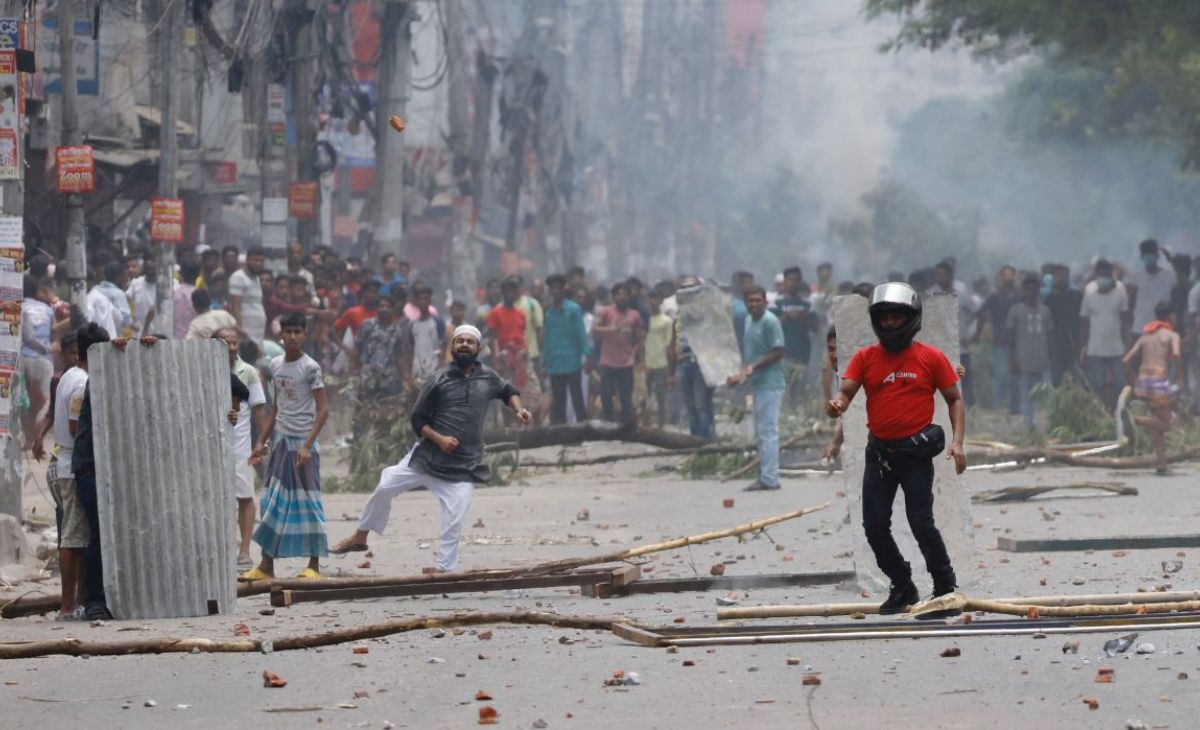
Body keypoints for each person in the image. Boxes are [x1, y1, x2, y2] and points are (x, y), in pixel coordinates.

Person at [330, 325, 530, 571]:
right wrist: (440, 440)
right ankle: (360, 536)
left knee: (455, 516)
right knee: (385, 484)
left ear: (479, 349)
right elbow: (417, 420)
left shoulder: (488, 377)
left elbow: (508, 391)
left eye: (470, 341)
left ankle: (445, 570)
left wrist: (519, 409)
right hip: (427, 458)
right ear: (452, 348)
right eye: (460, 341)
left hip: (464, 464)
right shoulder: (438, 379)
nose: (465, 345)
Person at [827, 282, 966, 617]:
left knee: (921, 523)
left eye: (896, 316)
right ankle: (902, 585)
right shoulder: (865, 357)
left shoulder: (931, 358)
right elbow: (846, 391)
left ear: (911, 318)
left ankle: (945, 588)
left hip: (915, 456)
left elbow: (955, 400)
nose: (890, 323)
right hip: (880, 456)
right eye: (884, 317)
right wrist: (838, 404)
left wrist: (958, 442)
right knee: (874, 526)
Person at [240, 313, 330, 580]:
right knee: (272, 501)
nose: (292, 336)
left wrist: (307, 445)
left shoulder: (310, 367)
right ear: (281, 334)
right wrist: (261, 441)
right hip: (280, 442)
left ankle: (314, 565)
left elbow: (323, 411)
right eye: (288, 331)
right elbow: (276, 407)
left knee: (308, 502)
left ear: (304, 334)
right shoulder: (276, 364)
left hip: (303, 445)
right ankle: (267, 565)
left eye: (297, 332)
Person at [71, 324, 117, 620]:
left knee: (101, 533)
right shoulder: (91, 382)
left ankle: (100, 598)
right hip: (89, 466)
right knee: (99, 533)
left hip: (92, 465)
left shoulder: (96, 378)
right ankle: (94, 601)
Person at [214, 328, 268, 566]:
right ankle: (223, 549)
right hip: (212, 446)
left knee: (245, 497)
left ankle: (244, 550)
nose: (232, 347)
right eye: (227, 343)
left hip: (240, 446)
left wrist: (261, 442)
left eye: (235, 343)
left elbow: (258, 410)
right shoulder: (204, 371)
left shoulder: (248, 372)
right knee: (217, 499)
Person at [727, 285, 786, 491]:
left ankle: (770, 478)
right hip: (757, 383)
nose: (753, 304)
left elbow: (778, 351)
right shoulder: (748, 321)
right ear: (745, 303)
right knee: (761, 433)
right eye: (750, 301)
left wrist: (752, 368)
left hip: (770, 384)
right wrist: (741, 375)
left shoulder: (770, 321)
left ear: (765, 302)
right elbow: (751, 354)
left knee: (768, 431)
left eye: (757, 300)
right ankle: (767, 474)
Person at [47, 330, 87, 620]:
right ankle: (68, 605)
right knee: (72, 538)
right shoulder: (81, 382)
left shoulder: (66, 378)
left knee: (75, 537)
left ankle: (77, 602)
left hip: (62, 461)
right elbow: (75, 428)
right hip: (71, 466)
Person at [1124, 302, 1182, 475]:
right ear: (1171, 316)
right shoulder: (1172, 335)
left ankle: (1161, 464)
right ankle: (1133, 419)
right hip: (1159, 383)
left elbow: (1126, 360)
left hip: (1143, 382)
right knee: (1169, 423)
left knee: (1158, 425)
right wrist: (1179, 376)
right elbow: (1177, 354)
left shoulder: (1145, 336)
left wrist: (1134, 382)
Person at [669, 275, 716, 439]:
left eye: (691, 288)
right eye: (684, 289)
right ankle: (694, 441)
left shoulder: (707, 313)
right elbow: (673, 343)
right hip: (684, 364)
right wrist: (671, 372)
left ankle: (707, 442)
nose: (687, 292)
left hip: (702, 365)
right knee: (690, 407)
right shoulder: (678, 315)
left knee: (702, 405)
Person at [1079, 259, 1129, 409]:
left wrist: (1127, 342)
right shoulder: (1089, 290)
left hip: (1117, 347)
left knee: (1120, 383)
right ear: (1096, 274)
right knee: (1097, 384)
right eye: (1101, 274)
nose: (1104, 277)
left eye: (1107, 273)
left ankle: (1120, 410)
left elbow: (1124, 317)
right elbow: (1085, 320)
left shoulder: (1120, 289)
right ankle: (1099, 411)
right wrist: (1083, 345)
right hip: (1095, 347)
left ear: (1111, 273)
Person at [1007, 274, 1055, 430]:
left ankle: (1047, 421)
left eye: (1034, 290)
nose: (1031, 293)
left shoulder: (1045, 311)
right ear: (1023, 291)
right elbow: (1011, 337)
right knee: (1026, 393)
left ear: (1038, 291)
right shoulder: (1016, 311)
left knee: (1045, 393)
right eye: (1028, 290)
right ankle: (1029, 422)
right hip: (1023, 359)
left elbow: (1050, 335)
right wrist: (1012, 359)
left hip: (1042, 359)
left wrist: (1051, 355)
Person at [542, 274, 590, 425]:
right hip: (555, 363)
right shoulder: (549, 313)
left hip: (572, 361)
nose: (556, 291)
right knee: (559, 400)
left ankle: (584, 430)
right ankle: (562, 432)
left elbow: (581, 334)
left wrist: (587, 355)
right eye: (553, 288)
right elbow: (547, 339)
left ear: (564, 289)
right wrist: (545, 361)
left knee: (577, 398)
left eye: (559, 288)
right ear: (550, 291)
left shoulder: (573, 309)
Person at [593, 281, 643, 423]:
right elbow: (595, 329)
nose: (621, 297)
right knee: (606, 396)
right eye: (618, 294)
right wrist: (610, 329)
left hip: (626, 362)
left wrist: (637, 355)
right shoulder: (606, 312)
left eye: (625, 294)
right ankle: (608, 424)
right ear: (614, 296)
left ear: (629, 297)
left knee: (626, 397)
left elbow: (639, 337)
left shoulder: (635, 315)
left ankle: (625, 426)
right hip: (608, 361)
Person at [974, 265, 1019, 412]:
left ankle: (1014, 405)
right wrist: (978, 333)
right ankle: (997, 405)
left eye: (1010, 275)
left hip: (1018, 342)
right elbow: (981, 313)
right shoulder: (994, 296)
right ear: (1001, 277)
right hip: (1000, 340)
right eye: (1005, 275)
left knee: (1015, 375)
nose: (1008, 278)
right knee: (1000, 374)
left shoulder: (1019, 295)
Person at [771, 266, 816, 405]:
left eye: (796, 280)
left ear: (800, 281)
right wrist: (785, 317)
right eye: (789, 279)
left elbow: (816, 327)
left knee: (799, 384)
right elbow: (770, 327)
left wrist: (802, 317)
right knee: (783, 385)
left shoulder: (807, 304)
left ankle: (797, 411)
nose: (793, 283)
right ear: (784, 281)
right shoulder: (776, 303)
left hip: (802, 350)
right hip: (783, 350)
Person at [353, 295, 411, 396]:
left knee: (388, 408)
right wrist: (353, 372)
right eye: (381, 306)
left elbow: (399, 356)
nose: (384, 309)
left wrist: (405, 376)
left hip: (389, 378)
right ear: (377, 308)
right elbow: (357, 349)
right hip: (369, 375)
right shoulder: (367, 325)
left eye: (388, 306)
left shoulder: (396, 331)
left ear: (392, 309)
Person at [20, 277, 55, 434]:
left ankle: (25, 434)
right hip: (44, 359)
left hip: (21, 359)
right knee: (43, 400)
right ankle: (36, 436)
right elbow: (52, 334)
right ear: (36, 291)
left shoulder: (16, 307)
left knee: (23, 399)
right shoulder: (47, 309)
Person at [1043, 264, 1083, 387]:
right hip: (1056, 347)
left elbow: (1082, 321)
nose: (1062, 279)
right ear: (1054, 278)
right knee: (1055, 381)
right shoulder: (1048, 300)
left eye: (1065, 276)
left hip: (1074, 345)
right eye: (1059, 276)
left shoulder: (1076, 296)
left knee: (1079, 380)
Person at [1128, 238, 1176, 338]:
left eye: (1152, 253)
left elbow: (1183, 281)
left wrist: (1170, 259)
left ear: (1157, 256)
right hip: (1139, 327)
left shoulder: (1168, 276)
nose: (1149, 256)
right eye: (1146, 253)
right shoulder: (1136, 276)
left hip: (1162, 328)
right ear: (1142, 256)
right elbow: (1131, 300)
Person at [644, 286, 673, 429]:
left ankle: (661, 424)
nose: (653, 302)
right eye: (651, 298)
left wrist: (669, 365)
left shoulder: (666, 321)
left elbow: (669, 344)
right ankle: (645, 423)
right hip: (645, 362)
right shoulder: (643, 319)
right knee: (644, 395)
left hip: (661, 362)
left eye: (656, 299)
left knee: (661, 395)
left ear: (661, 301)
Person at [229, 247, 268, 346]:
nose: (258, 263)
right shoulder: (238, 277)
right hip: (245, 334)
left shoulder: (257, 279)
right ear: (247, 260)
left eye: (261, 261)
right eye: (255, 260)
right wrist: (240, 332)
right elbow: (235, 308)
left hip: (258, 333)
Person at [409, 284, 445, 382]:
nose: (422, 302)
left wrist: (440, 366)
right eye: (420, 299)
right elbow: (411, 348)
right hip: (417, 371)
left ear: (430, 301)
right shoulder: (413, 325)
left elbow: (443, 346)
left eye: (425, 299)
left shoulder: (437, 322)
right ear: (416, 302)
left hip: (434, 369)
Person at [126, 254, 157, 336]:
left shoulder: (166, 286)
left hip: (160, 334)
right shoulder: (135, 283)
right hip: (139, 335)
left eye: (153, 261)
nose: (150, 264)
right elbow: (125, 302)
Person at [730, 270, 754, 355]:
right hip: (737, 350)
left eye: (751, 282)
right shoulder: (733, 305)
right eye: (745, 283)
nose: (749, 286)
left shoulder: (753, 303)